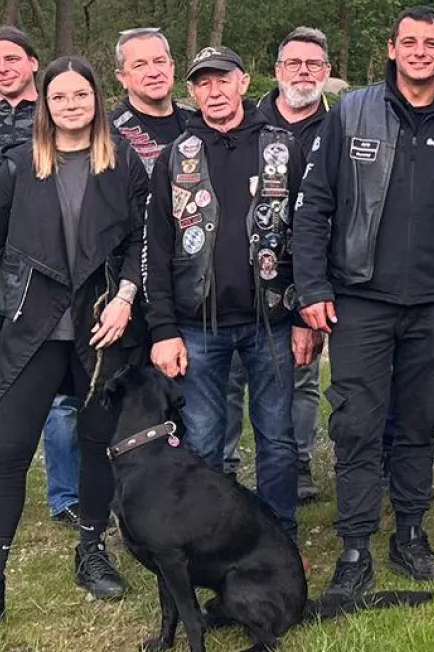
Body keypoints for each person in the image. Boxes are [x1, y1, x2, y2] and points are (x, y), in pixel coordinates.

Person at [292, 6, 434, 603]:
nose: (421, 51)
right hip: (360, 301)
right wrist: (313, 288)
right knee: (356, 424)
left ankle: (409, 531)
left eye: (431, 42)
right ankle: (355, 548)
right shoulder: (350, 114)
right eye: (410, 41)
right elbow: (313, 208)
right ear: (392, 47)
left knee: (418, 422)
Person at [0, 57, 149, 635]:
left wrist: (123, 297)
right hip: (34, 333)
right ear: (45, 104)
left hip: (101, 329)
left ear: (97, 99)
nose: (71, 105)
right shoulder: (20, 165)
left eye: (81, 95)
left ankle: (91, 548)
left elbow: (142, 238)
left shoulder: (123, 163)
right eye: (60, 97)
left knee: (98, 445)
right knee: (12, 453)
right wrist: (20, 295)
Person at [143, 45, 306, 543]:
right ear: (191, 92)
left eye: (223, 80)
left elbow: (308, 234)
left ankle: (279, 536)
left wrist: (303, 314)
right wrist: (163, 330)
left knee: (278, 439)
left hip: (272, 322)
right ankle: (211, 538)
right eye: (203, 83)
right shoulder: (175, 156)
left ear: (244, 82)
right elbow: (157, 245)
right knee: (203, 441)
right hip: (197, 326)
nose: (214, 92)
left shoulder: (282, 146)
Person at [0, 28, 80, 539]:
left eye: (12, 58)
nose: (2, 68)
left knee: (60, 398)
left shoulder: (58, 113)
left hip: (53, 283)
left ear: (34, 63)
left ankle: (67, 497)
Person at [224, 27, 333, 503]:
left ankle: (299, 461)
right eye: (294, 63)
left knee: (302, 371)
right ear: (277, 71)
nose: (303, 72)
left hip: (309, 273)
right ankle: (223, 466)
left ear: (326, 74)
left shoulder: (341, 126)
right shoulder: (246, 122)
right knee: (229, 374)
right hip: (240, 277)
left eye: (313, 64)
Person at [111, 27, 190, 172]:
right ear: (122, 77)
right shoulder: (109, 133)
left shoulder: (198, 121)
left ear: (172, 67)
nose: (153, 73)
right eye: (140, 65)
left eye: (159, 61)